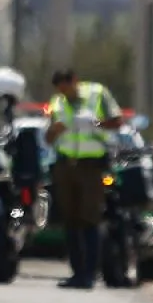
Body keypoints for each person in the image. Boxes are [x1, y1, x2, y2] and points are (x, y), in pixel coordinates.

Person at [43, 69, 124, 289]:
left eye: (66, 88)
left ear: (75, 81)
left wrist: (96, 124)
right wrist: (55, 130)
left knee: (90, 219)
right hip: (65, 166)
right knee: (70, 220)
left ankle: (89, 274)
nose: (64, 93)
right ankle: (76, 273)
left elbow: (117, 121)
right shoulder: (57, 103)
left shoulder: (97, 93)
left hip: (91, 167)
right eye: (60, 90)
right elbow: (48, 138)